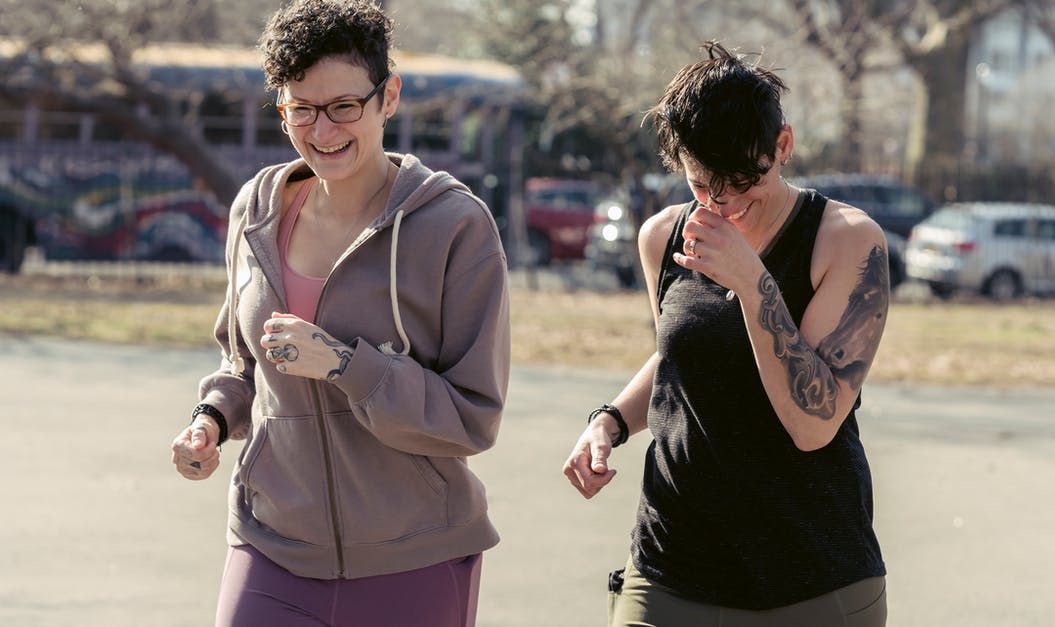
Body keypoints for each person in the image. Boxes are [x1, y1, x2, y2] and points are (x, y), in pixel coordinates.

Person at [168, 2, 509, 625]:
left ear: (389, 97)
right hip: (272, 542)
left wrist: (348, 366)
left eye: (343, 108)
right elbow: (241, 360)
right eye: (301, 109)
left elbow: (472, 418)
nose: (322, 132)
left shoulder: (456, 226)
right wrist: (211, 418)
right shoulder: (257, 210)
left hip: (415, 557)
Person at [562, 41, 889, 626]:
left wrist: (751, 281)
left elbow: (814, 423)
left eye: (742, 179)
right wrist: (609, 420)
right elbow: (676, 358)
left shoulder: (847, 241)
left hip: (810, 580)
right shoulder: (662, 236)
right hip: (669, 569)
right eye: (702, 183)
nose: (724, 203)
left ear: (782, 146)